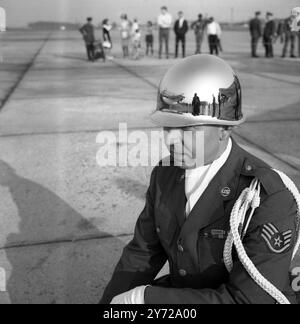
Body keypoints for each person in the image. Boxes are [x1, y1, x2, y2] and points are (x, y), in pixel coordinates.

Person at [100, 55, 299, 304]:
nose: (171, 141)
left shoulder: (265, 196)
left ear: (224, 129)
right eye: (167, 127)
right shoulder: (165, 174)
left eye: (187, 129)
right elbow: (143, 252)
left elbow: (251, 299)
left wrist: (147, 298)